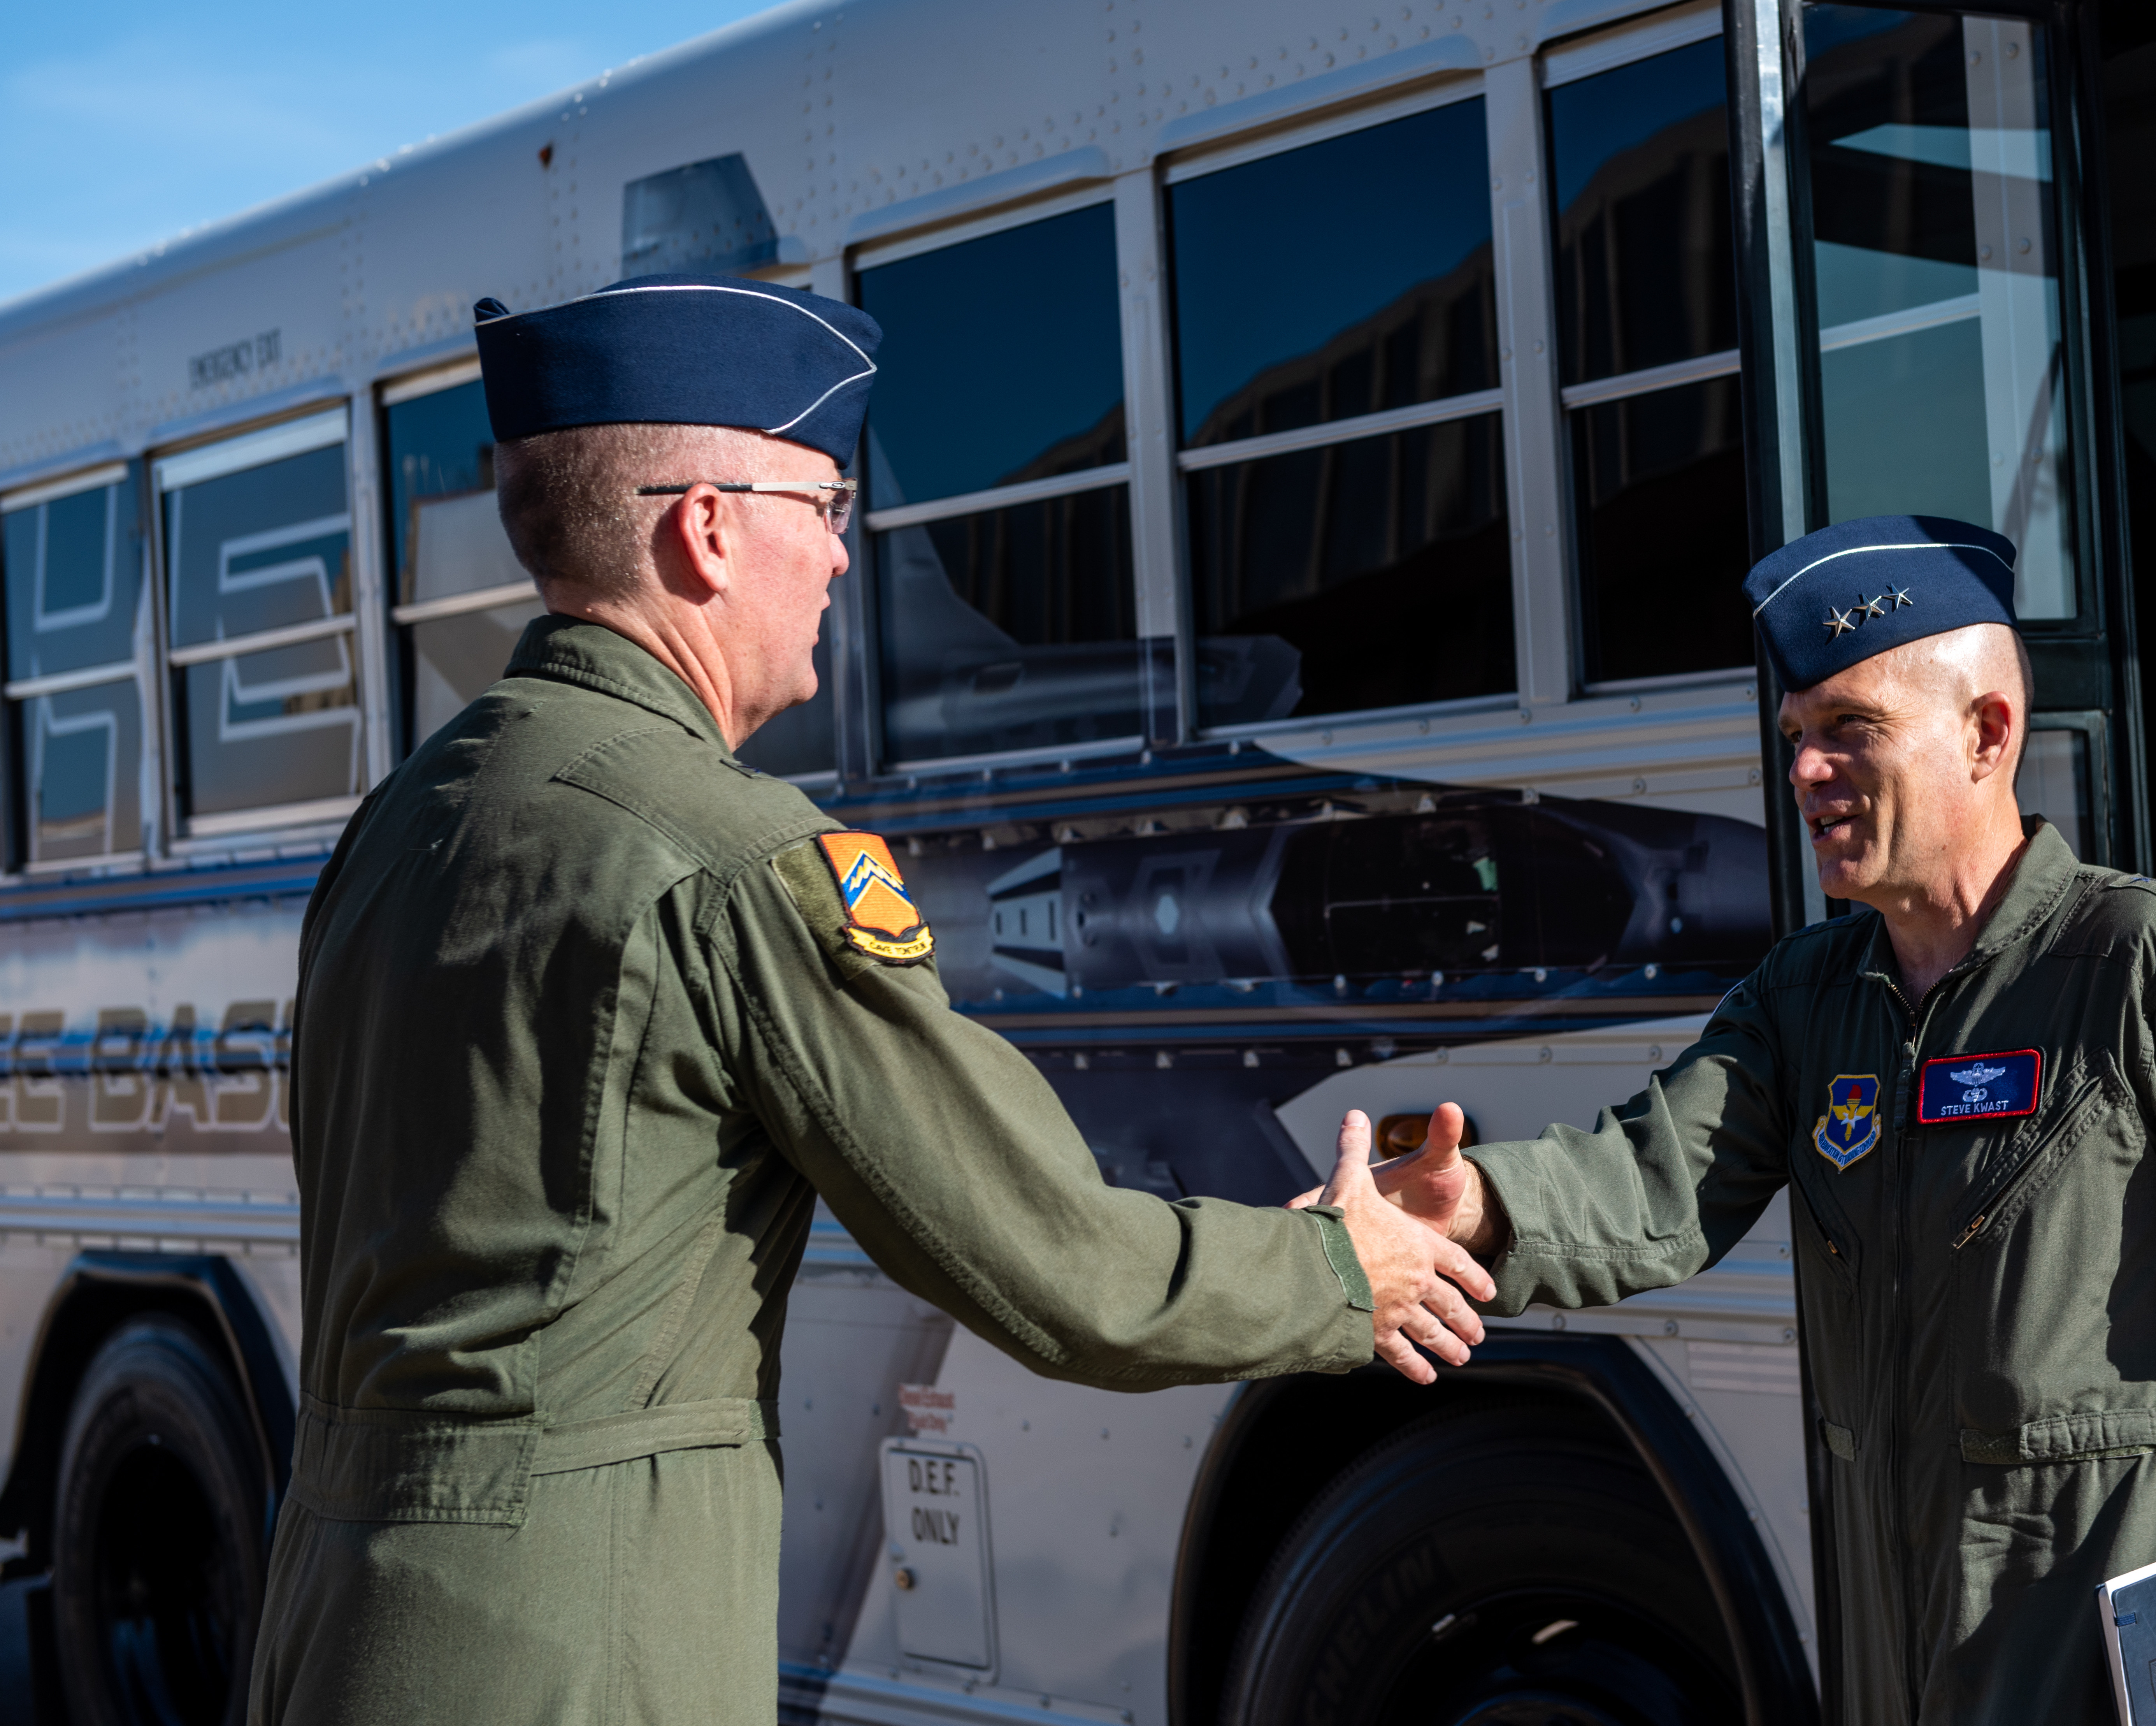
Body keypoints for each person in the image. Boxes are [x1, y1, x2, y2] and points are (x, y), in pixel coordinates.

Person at [247, 274, 1492, 1725]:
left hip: (334, 1638)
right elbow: (1050, 1263)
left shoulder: (401, 823)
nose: (844, 556)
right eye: (824, 505)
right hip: (581, 1665)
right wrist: (1343, 1272)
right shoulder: (738, 857)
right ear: (705, 529)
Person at [1345, 515, 2156, 1726]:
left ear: (1986, 733)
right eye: (1797, 736)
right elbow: (1648, 1181)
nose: (1803, 770)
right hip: (1896, 1674)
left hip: (2116, 1680)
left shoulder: (2149, 970)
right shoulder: (1809, 998)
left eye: (1851, 731)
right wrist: (1475, 1202)